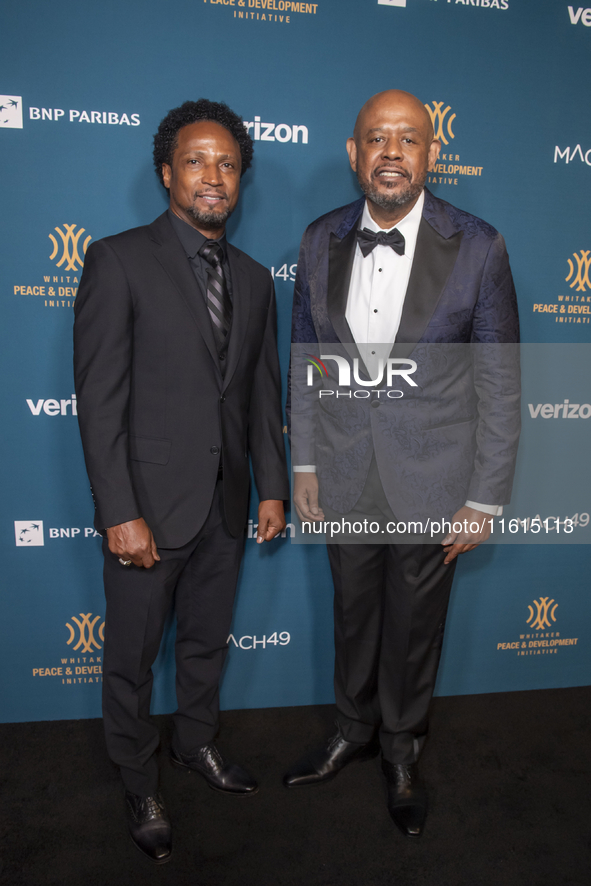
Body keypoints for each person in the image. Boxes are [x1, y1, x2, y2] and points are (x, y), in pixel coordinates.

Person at [285, 90, 520, 838]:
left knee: (415, 624)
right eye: (376, 138)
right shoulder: (318, 237)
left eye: (408, 138)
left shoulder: (479, 245)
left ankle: (399, 746)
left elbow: (500, 379)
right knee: (353, 613)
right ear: (353, 154)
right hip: (346, 470)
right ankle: (350, 730)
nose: (391, 150)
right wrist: (304, 464)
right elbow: (304, 362)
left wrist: (484, 498)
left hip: (435, 473)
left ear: (430, 153)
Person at [74, 99, 289, 864]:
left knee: (204, 645)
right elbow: (99, 402)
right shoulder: (118, 259)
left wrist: (269, 488)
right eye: (196, 160)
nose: (213, 175)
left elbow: (263, 391)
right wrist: (118, 510)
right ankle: (138, 778)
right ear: (167, 172)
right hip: (148, 512)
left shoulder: (258, 280)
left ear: (240, 181)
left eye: (227, 164)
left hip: (226, 505)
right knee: (131, 658)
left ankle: (196, 743)